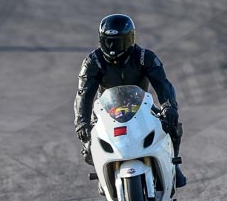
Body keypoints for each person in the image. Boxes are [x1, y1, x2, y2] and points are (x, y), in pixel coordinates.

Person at [74, 14, 187, 188]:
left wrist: (169, 107)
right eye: (108, 41)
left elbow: (163, 84)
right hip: (107, 110)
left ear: (129, 39)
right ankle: (104, 172)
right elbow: (83, 94)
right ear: (100, 40)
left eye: (118, 41)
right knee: (88, 147)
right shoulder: (93, 61)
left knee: (172, 124)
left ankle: (174, 164)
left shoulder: (144, 57)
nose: (112, 46)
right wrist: (82, 122)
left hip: (141, 106)